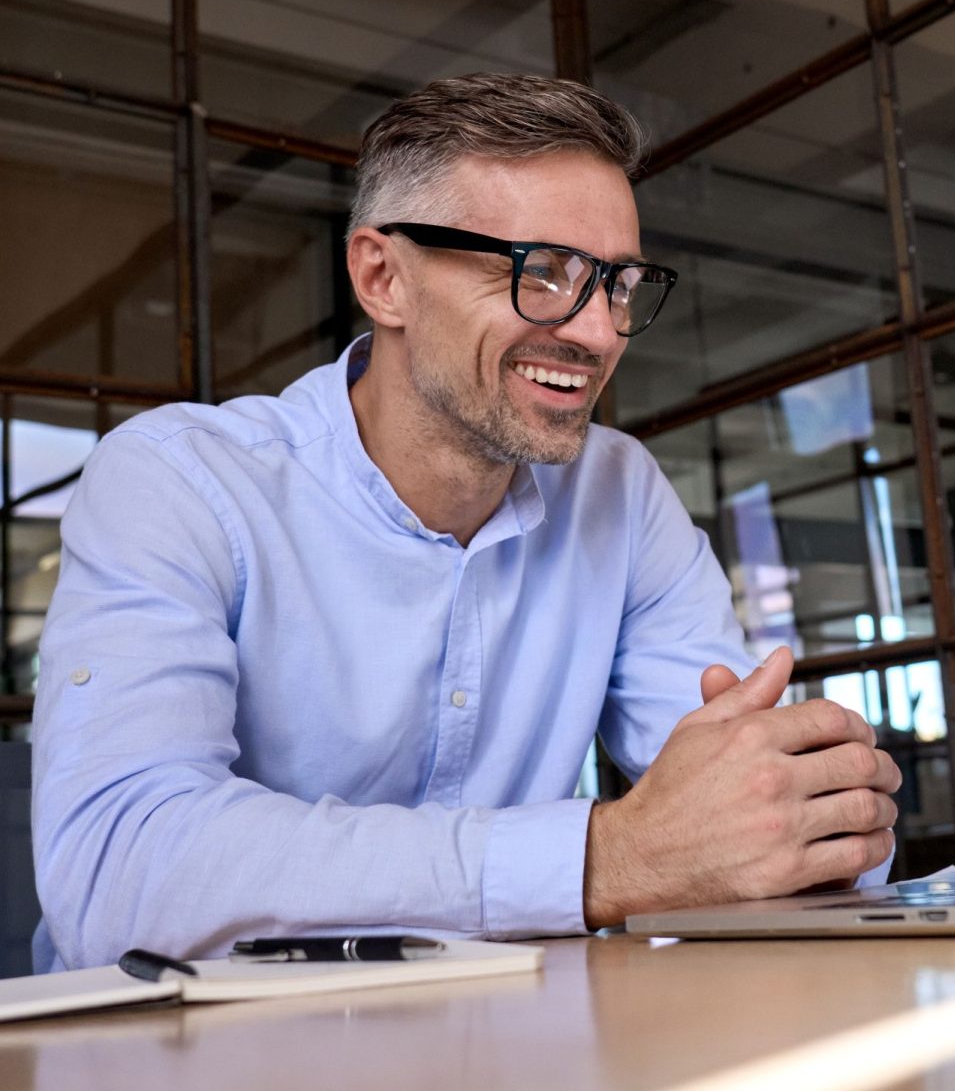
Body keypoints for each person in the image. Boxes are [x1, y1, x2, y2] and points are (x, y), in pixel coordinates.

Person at [30, 74, 901, 970]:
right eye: (543, 273)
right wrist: (604, 858)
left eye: (618, 284)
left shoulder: (620, 493)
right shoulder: (180, 479)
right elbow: (115, 870)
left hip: (506, 1043)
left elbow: (745, 820)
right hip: (178, 1070)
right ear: (383, 277)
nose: (600, 333)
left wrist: (814, 811)